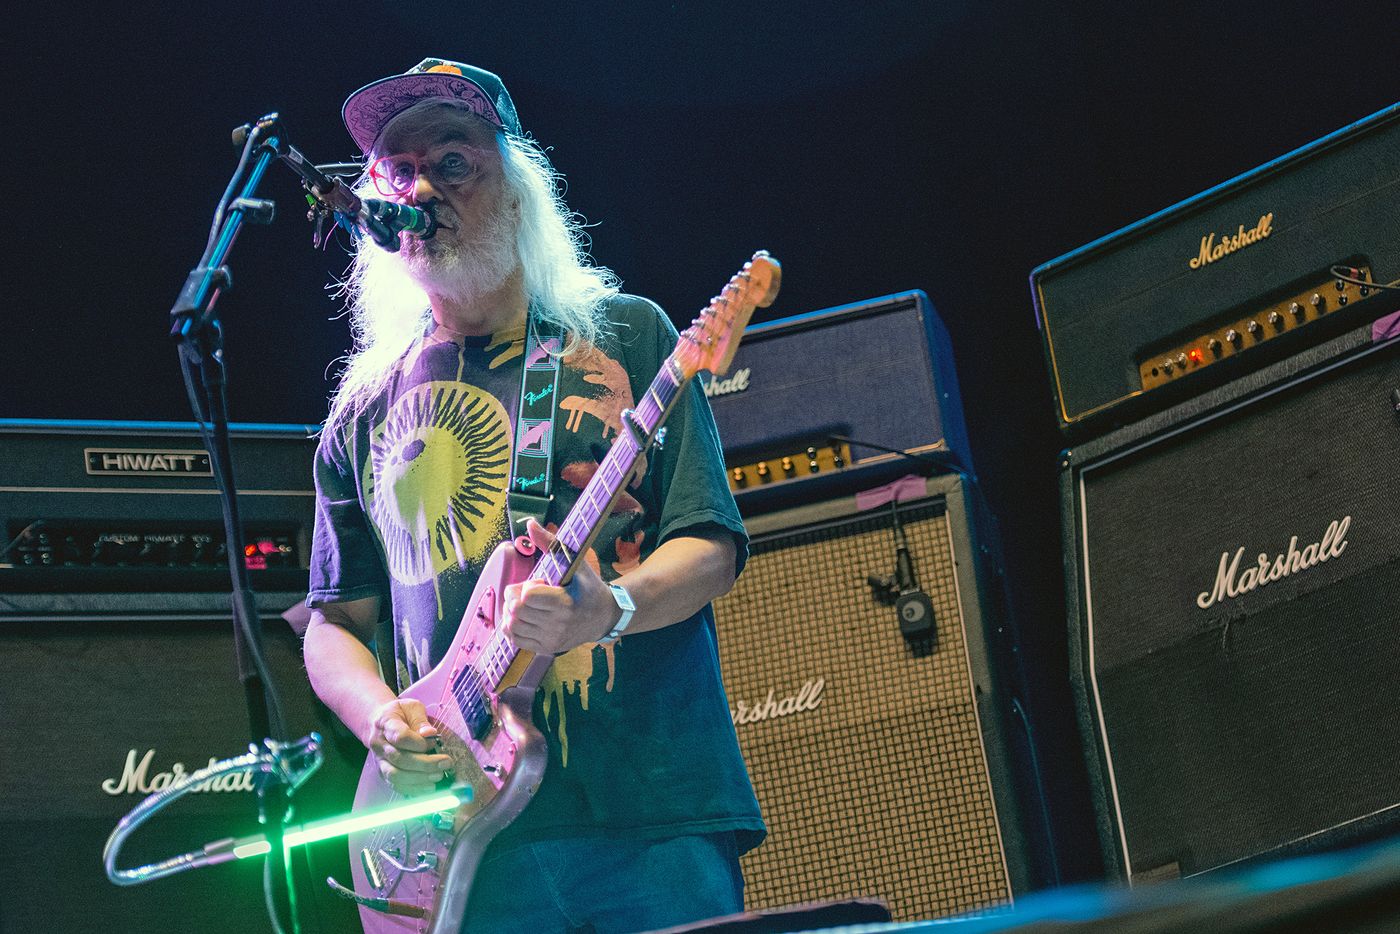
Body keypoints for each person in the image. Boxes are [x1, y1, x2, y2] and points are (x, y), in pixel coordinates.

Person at [302, 58, 765, 933]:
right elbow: (333, 623)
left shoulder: (629, 335)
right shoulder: (359, 414)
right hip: (460, 832)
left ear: (517, 190)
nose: (422, 189)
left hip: (644, 807)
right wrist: (382, 720)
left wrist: (610, 610)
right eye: (397, 172)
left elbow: (710, 542)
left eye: (453, 161)